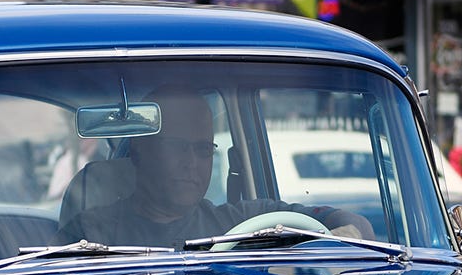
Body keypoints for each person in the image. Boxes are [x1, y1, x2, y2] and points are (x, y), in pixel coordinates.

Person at [61, 89, 373, 247]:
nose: (191, 164)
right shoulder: (89, 232)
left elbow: (342, 220)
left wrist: (349, 234)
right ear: (142, 151)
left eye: (202, 150)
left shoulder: (246, 221)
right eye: (178, 147)